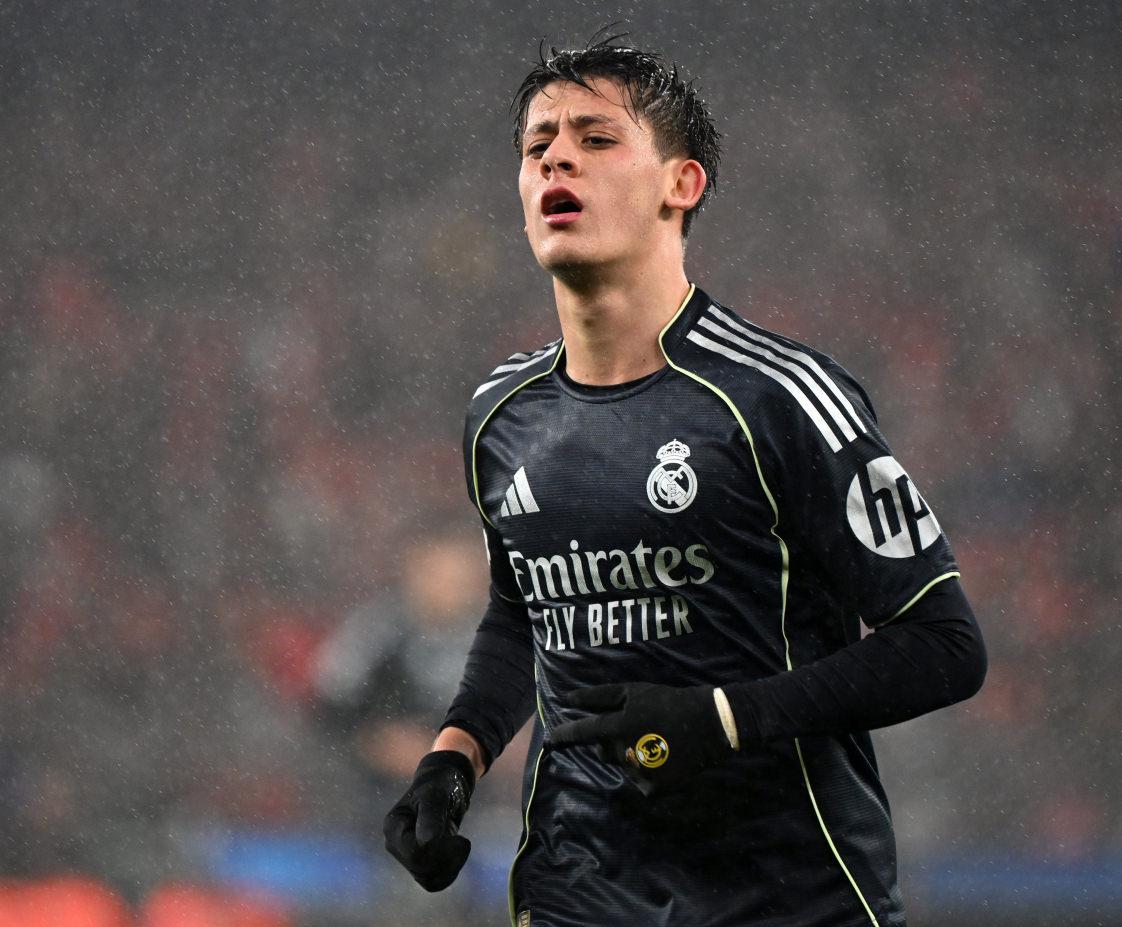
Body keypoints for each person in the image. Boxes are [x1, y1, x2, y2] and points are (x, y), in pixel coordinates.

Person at [384, 35, 987, 927]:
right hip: (581, 887)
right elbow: (522, 617)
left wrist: (727, 717)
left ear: (682, 183)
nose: (556, 157)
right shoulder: (500, 414)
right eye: (538, 143)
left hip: (788, 896)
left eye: (596, 138)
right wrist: (455, 757)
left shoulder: (780, 396)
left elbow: (943, 643)